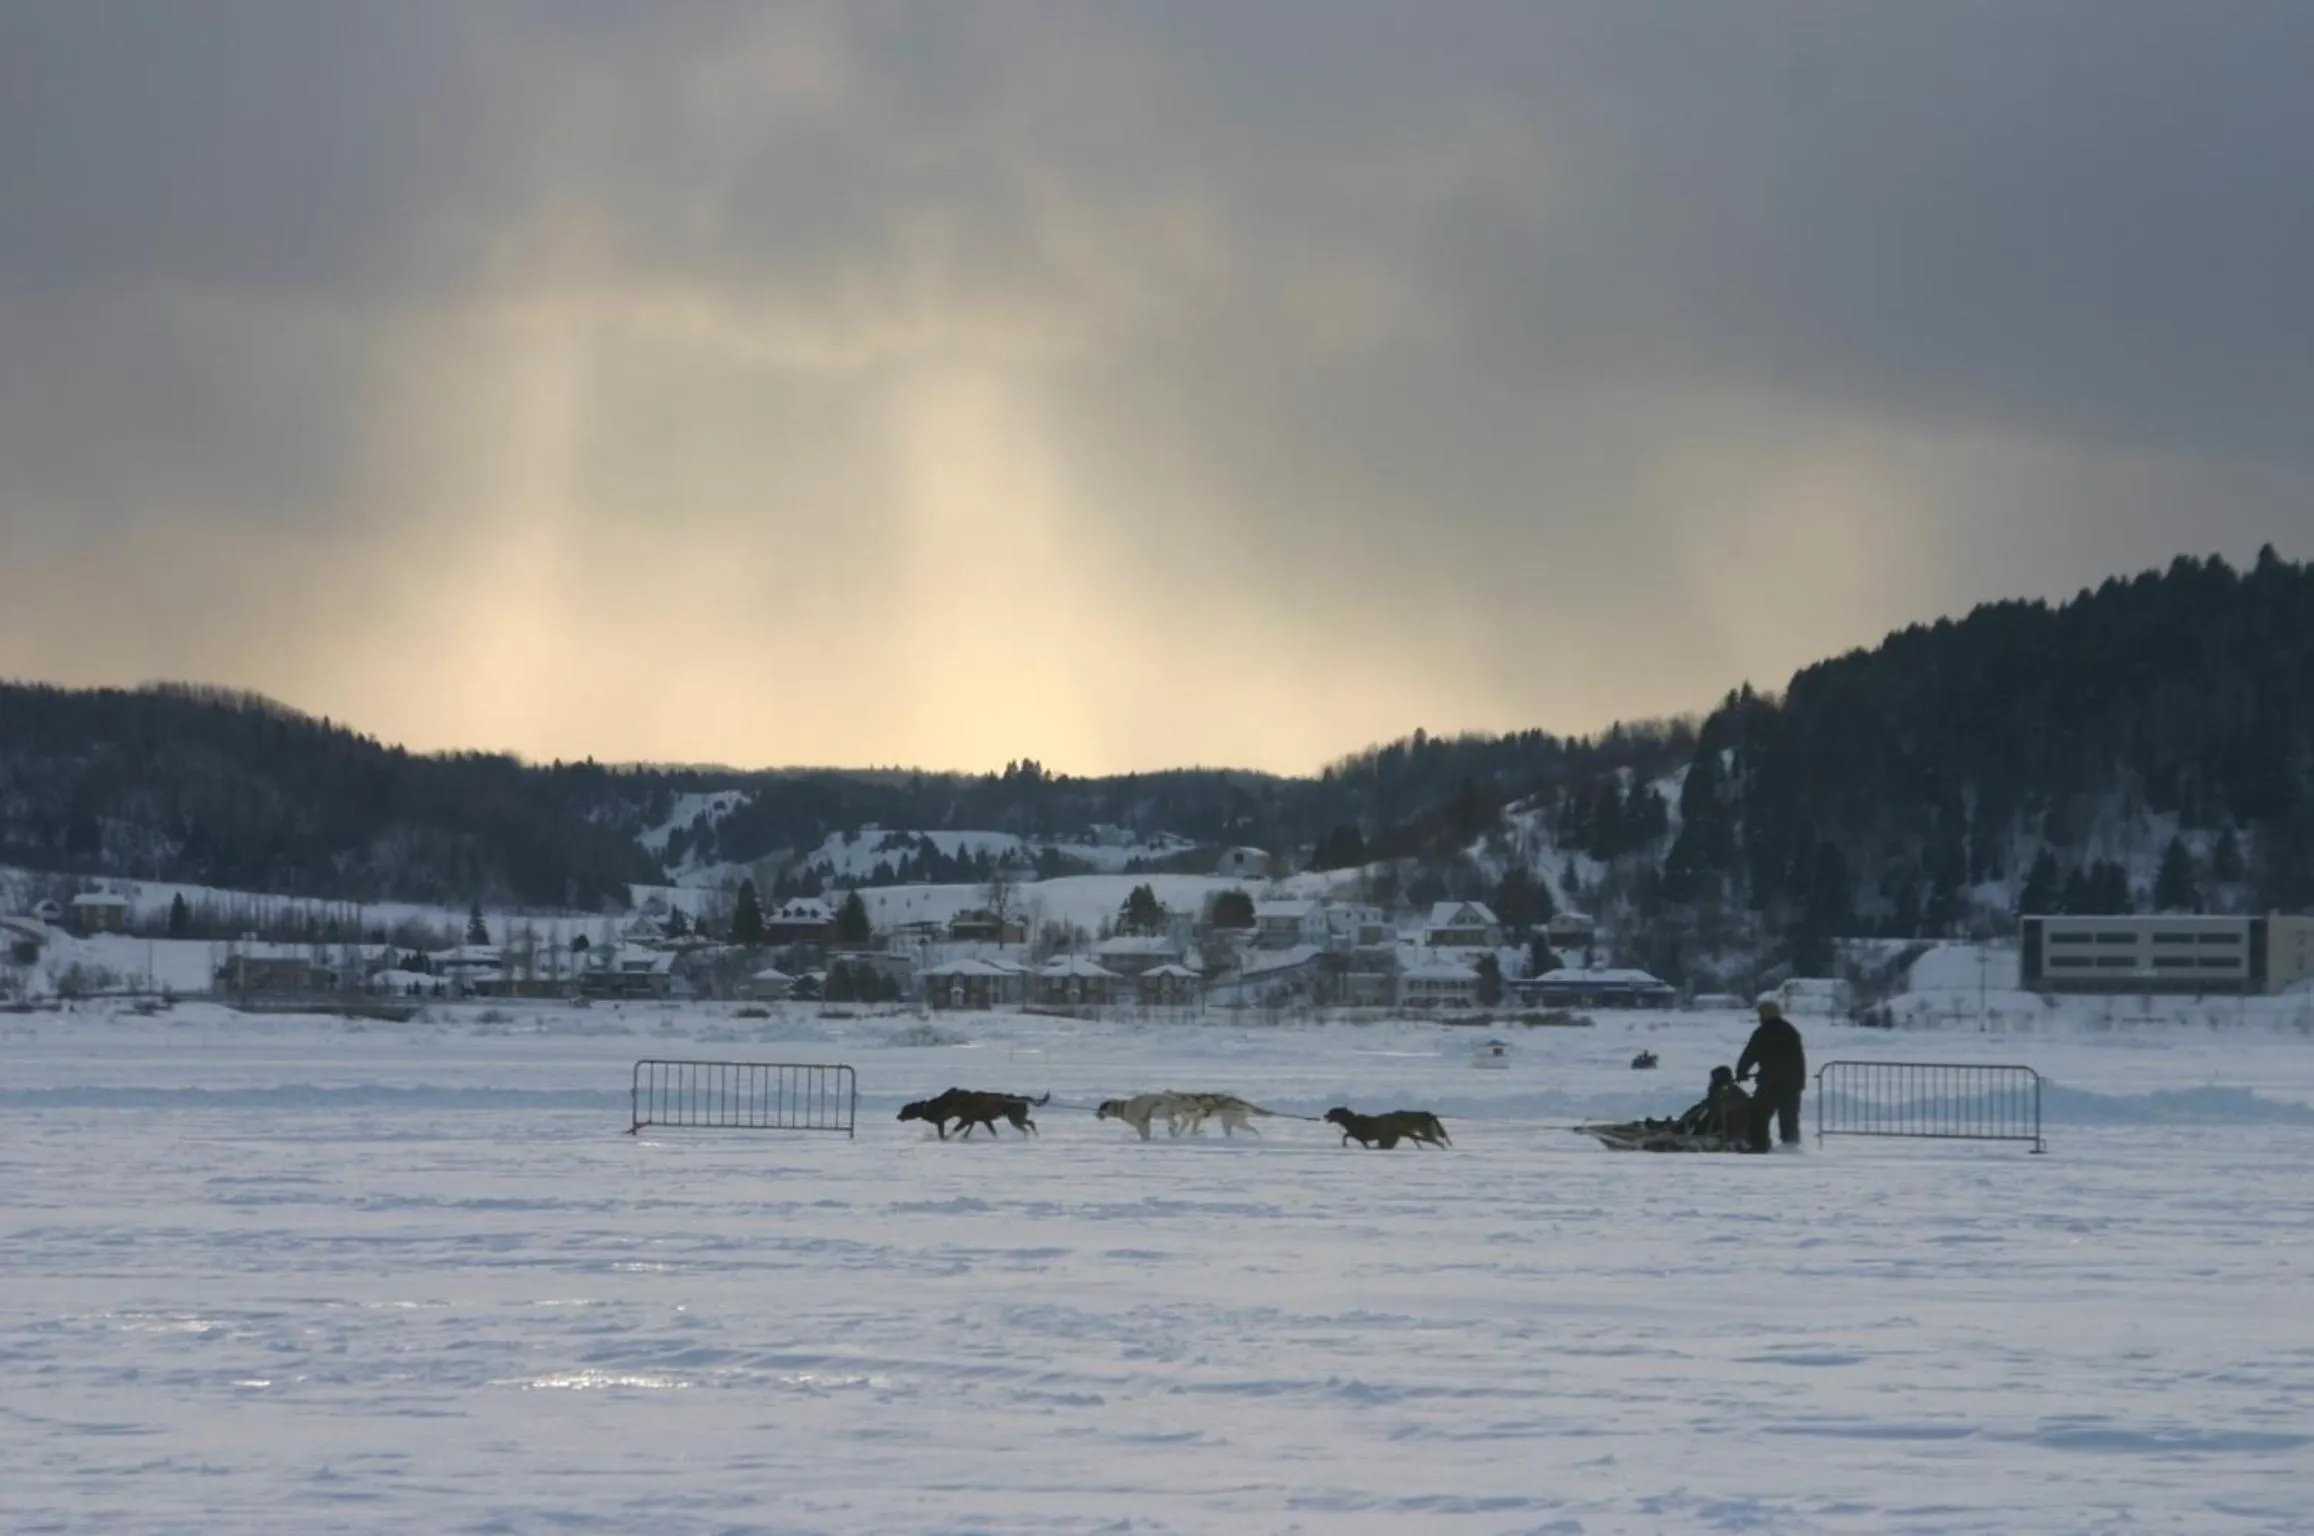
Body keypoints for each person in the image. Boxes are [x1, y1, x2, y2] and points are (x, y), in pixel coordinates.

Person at [1736, 999, 1807, 1150]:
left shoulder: (1764, 1031)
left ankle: (1759, 1144)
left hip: (1770, 1082)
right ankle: (1791, 1146)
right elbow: (1799, 1059)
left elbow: (1750, 1054)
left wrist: (1741, 1073)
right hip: (1793, 1083)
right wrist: (1799, 1082)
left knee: (1759, 1114)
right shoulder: (1791, 1031)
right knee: (1789, 1117)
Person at [1675, 1065, 1747, 1139]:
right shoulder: (1733, 1089)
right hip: (1733, 1127)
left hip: (1719, 1126)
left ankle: (1675, 1129)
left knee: (1696, 1113)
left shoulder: (1725, 1089)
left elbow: (1711, 1105)